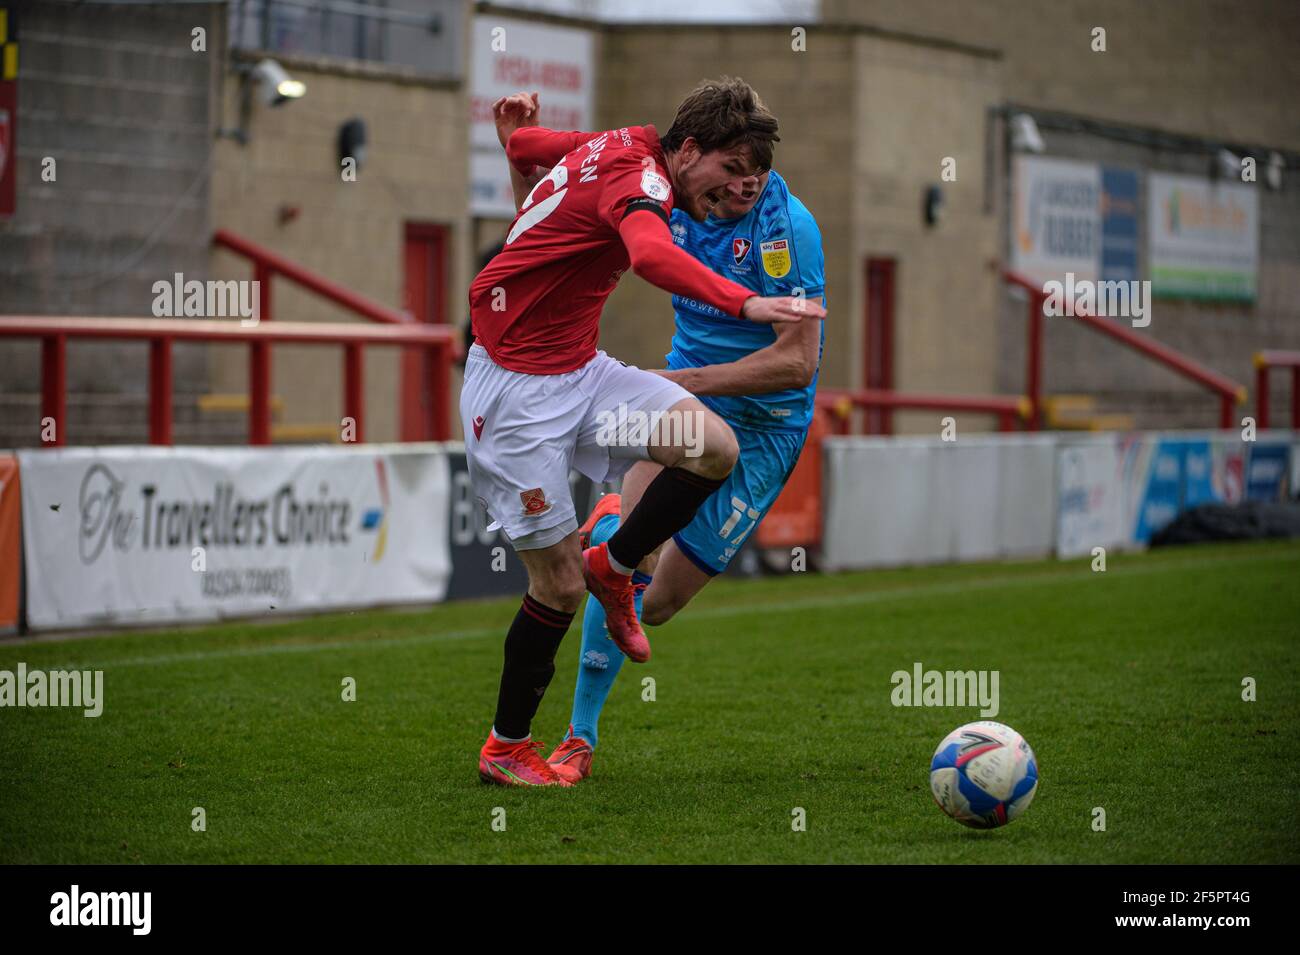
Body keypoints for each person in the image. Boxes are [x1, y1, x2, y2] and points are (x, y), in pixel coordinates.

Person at [469, 78, 826, 787]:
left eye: (750, 177)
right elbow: (650, 257)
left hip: (584, 371)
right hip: (516, 394)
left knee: (708, 453)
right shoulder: (644, 182)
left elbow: (534, 151)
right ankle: (511, 746)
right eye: (727, 173)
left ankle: (616, 561)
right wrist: (746, 301)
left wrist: (514, 138)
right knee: (558, 588)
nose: (735, 190)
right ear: (688, 150)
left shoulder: (630, 146)